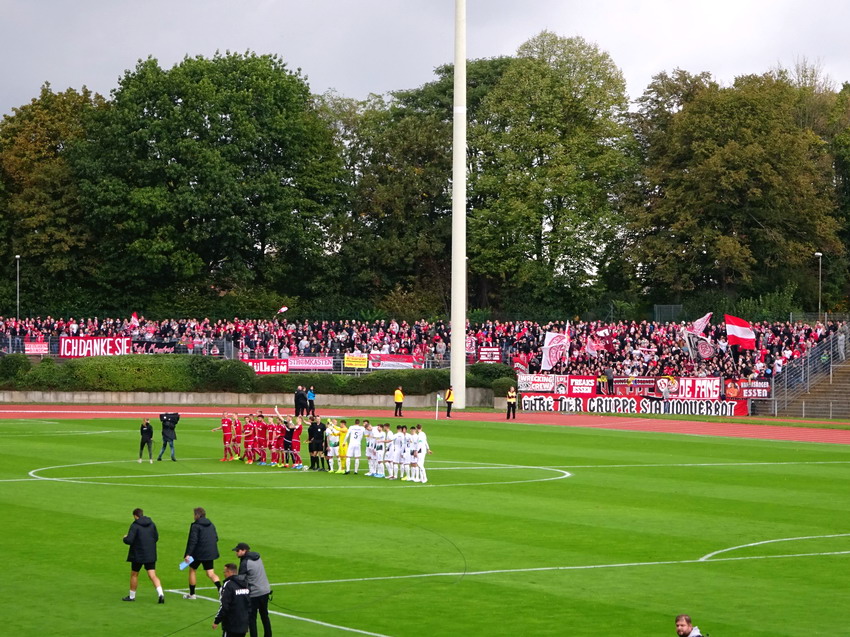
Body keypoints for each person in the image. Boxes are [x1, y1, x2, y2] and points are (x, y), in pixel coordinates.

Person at [122, 508, 165, 603]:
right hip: (150, 554)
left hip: (138, 555)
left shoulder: (135, 525)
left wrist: (125, 538)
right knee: (152, 575)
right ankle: (161, 593)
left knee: (134, 574)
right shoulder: (152, 524)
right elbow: (156, 537)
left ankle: (132, 596)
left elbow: (129, 540)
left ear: (135, 516)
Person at [233, 542, 272, 637]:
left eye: (238, 551)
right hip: (265, 590)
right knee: (264, 616)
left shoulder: (245, 563)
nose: (236, 553)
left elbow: (241, 580)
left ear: (244, 551)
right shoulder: (258, 558)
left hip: (255, 593)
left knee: (252, 618)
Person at [182, 507, 221, 599]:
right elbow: (216, 538)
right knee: (210, 573)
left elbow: (193, 541)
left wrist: (188, 554)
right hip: (210, 553)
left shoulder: (195, 526)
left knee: (192, 570)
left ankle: (192, 594)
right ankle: (221, 590)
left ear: (197, 515)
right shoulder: (211, 524)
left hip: (198, 553)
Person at [213, 562, 251, 637]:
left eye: (224, 572)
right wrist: (247, 624)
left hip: (231, 624)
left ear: (229, 572)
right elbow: (249, 605)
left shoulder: (228, 585)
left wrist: (217, 621)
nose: (224, 574)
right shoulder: (245, 583)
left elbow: (224, 606)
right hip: (243, 624)